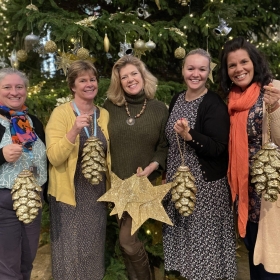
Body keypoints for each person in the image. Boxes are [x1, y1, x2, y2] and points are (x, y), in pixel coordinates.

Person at [162, 48, 237, 280]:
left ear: (209, 73)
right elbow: (169, 143)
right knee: (187, 244)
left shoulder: (213, 103)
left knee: (204, 247)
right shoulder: (177, 98)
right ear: (183, 70)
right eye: (190, 68)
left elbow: (217, 148)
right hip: (179, 186)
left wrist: (189, 135)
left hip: (204, 189)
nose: (196, 74)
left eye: (202, 69)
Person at [218, 36, 280, 279]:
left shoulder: (274, 90)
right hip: (246, 194)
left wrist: (275, 108)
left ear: (254, 62)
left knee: (272, 265)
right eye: (232, 65)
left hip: (270, 192)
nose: (238, 69)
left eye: (244, 62)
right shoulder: (232, 100)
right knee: (254, 258)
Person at [103, 55, 169, 280]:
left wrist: (152, 166)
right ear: (118, 82)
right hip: (115, 186)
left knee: (127, 241)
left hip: (141, 185)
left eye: (134, 74)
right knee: (126, 244)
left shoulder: (159, 109)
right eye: (124, 77)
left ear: (143, 76)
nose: (130, 79)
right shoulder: (109, 108)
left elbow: (164, 146)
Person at [45, 60, 111, 280]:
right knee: (70, 252)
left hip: (96, 195)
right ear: (73, 86)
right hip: (68, 197)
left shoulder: (104, 114)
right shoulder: (61, 114)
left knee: (92, 250)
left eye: (92, 79)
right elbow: (54, 157)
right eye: (83, 80)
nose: (89, 84)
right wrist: (73, 131)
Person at [0, 68, 47, 279]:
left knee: (27, 262)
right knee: (8, 267)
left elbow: (45, 158)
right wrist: (1, 154)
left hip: (32, 200)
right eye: (7, 87)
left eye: (19, 87)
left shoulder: (34, 122)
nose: (14, 92)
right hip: (4, 203)